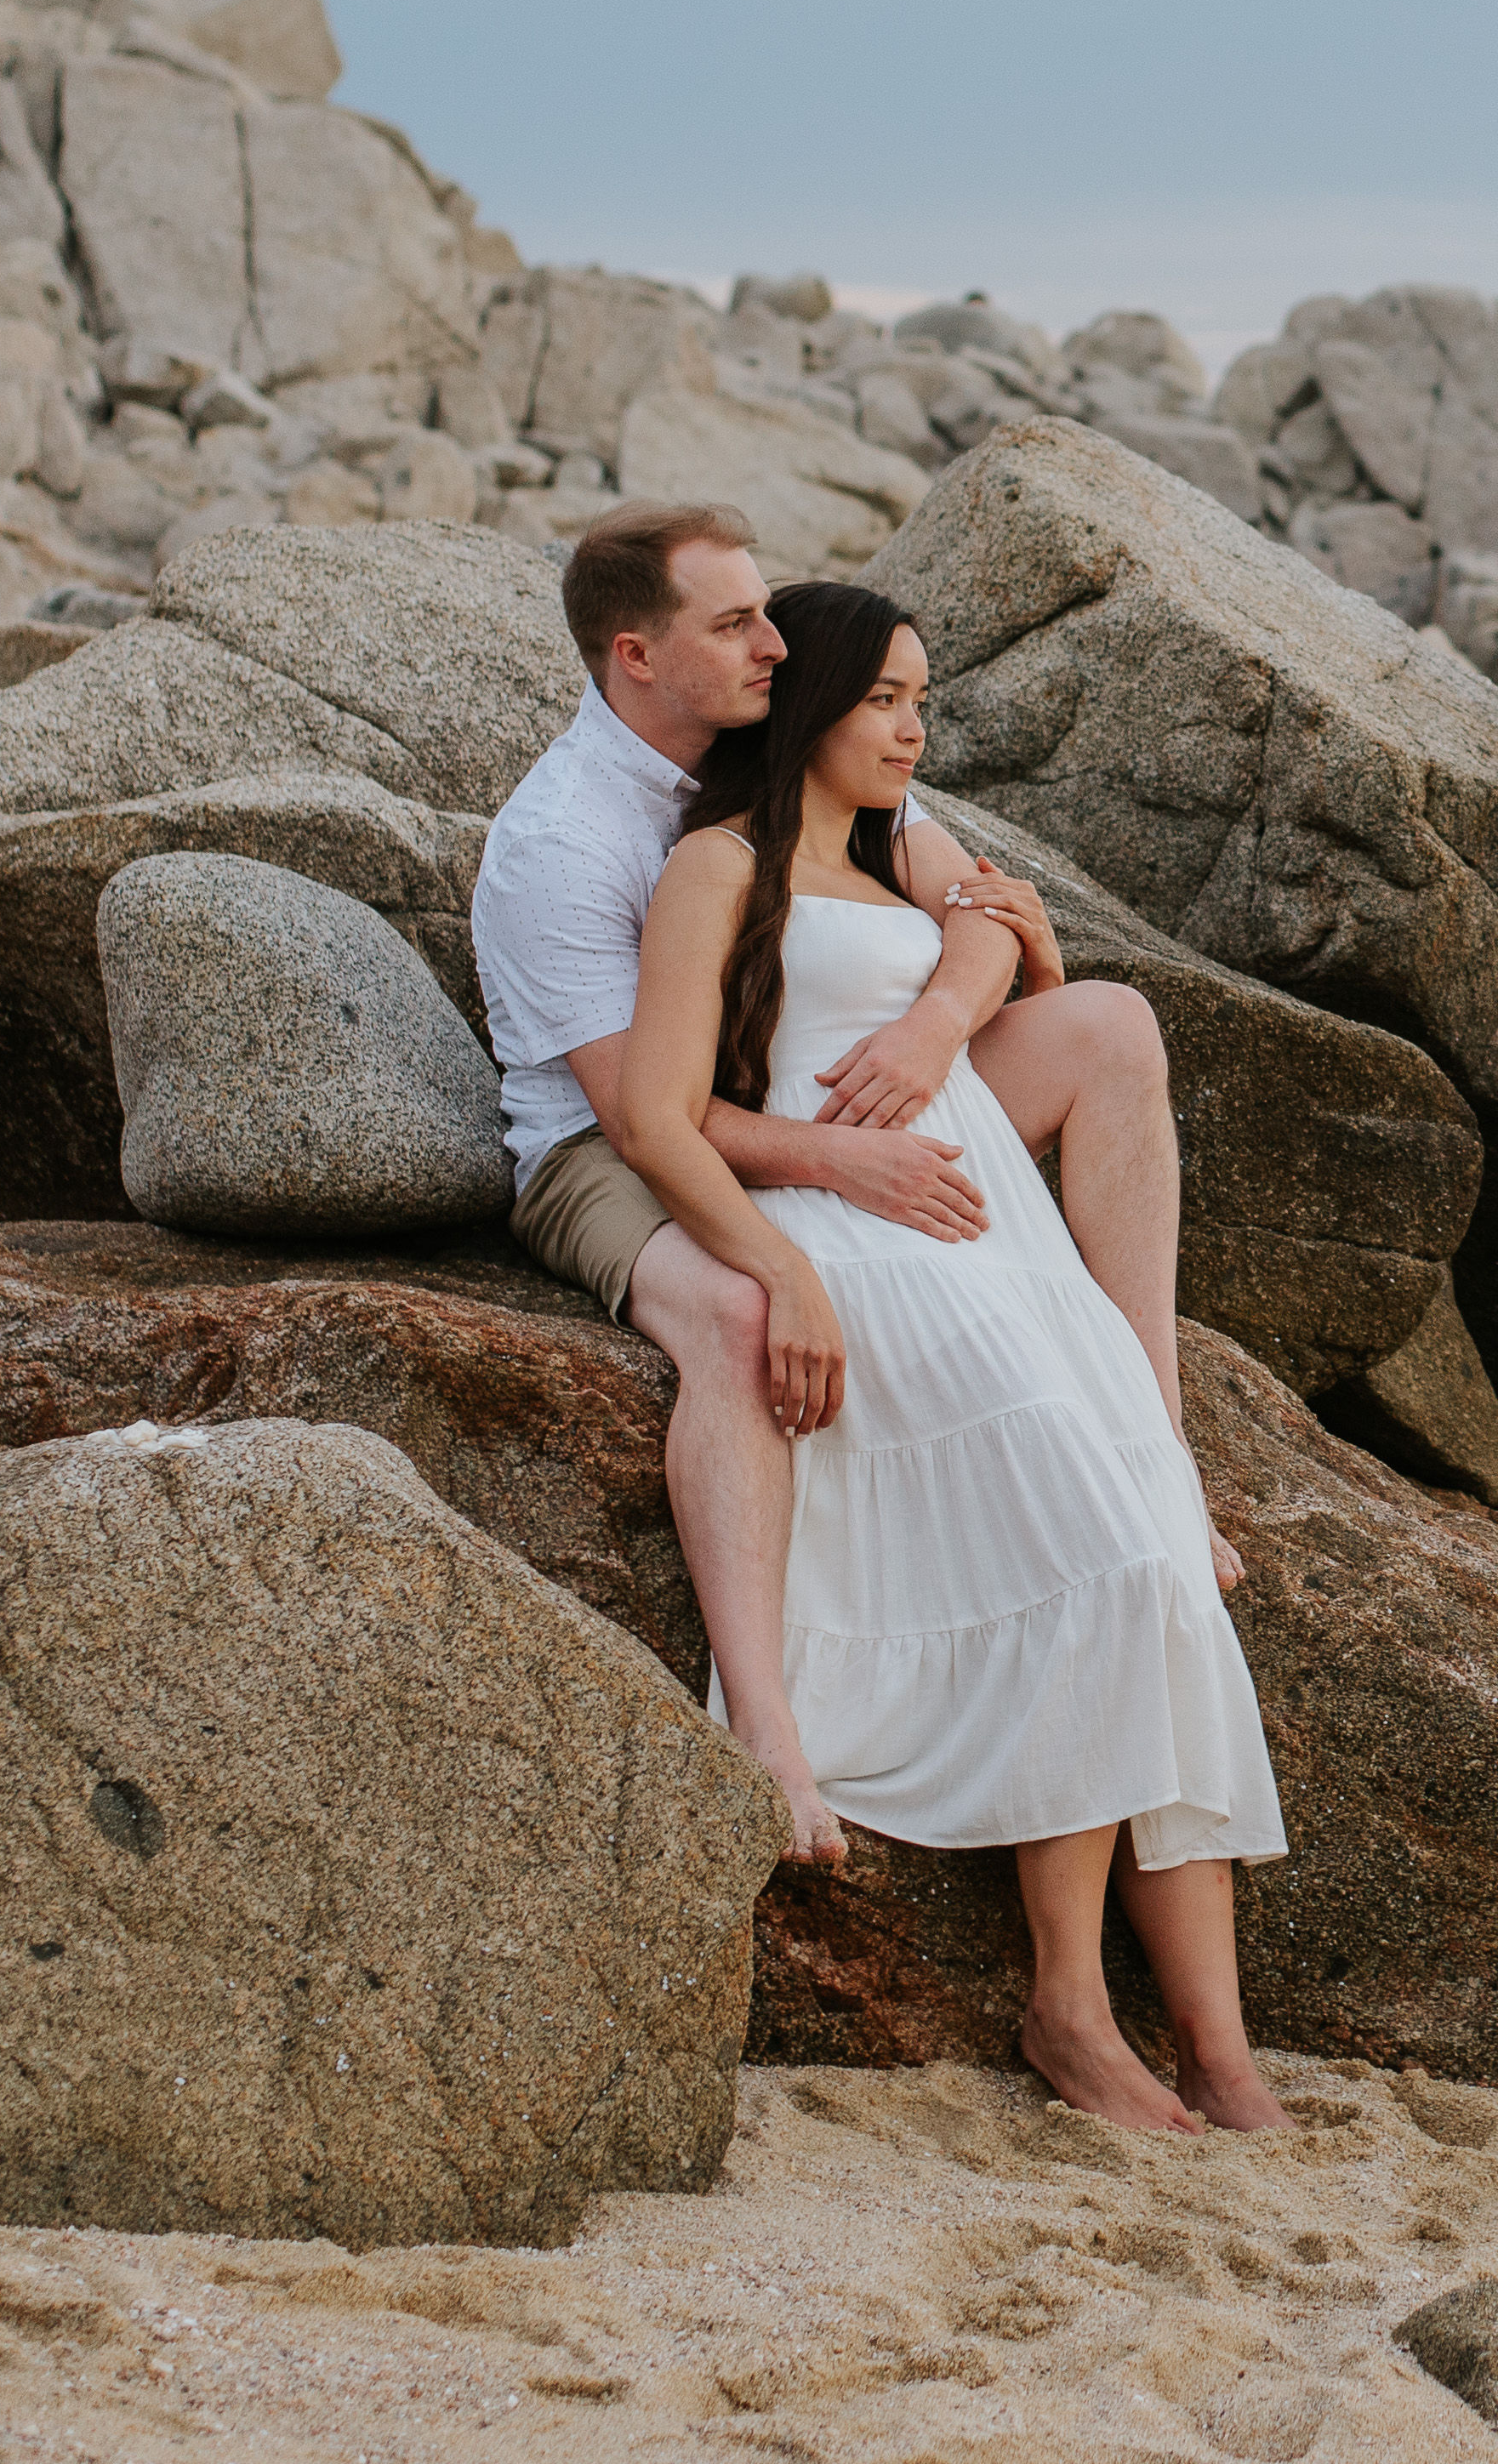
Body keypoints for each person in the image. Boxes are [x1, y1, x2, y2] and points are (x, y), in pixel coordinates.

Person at [618, 581, 1286, 2138]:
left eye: (926, 701)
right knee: (1113, 1570)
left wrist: (939, 1018)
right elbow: (666, 1112)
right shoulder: (717, 870)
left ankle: (1225, 2049)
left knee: (1159, 1581)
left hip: (994, 1232)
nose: (918, 731)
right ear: (808, 710)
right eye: (889, 703)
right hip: (865, 1230)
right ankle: (1069, 2005)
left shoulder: (896, 845)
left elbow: (1003, 928)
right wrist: (817, 1205)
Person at [476, 504, 1189, 1868]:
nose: (774, 638)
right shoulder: (566, 838)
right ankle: (769, 1734)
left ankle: (1156, 1452)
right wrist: (833, 1177)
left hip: (835, 1086)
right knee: (744, 1323)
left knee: (1109, 1029)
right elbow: (645, 1116)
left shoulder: (794, 742)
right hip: (605, 1149)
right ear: (636, 656)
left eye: (767, 611)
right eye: (733, 622)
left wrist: (934, 1028)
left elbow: (983, 907)